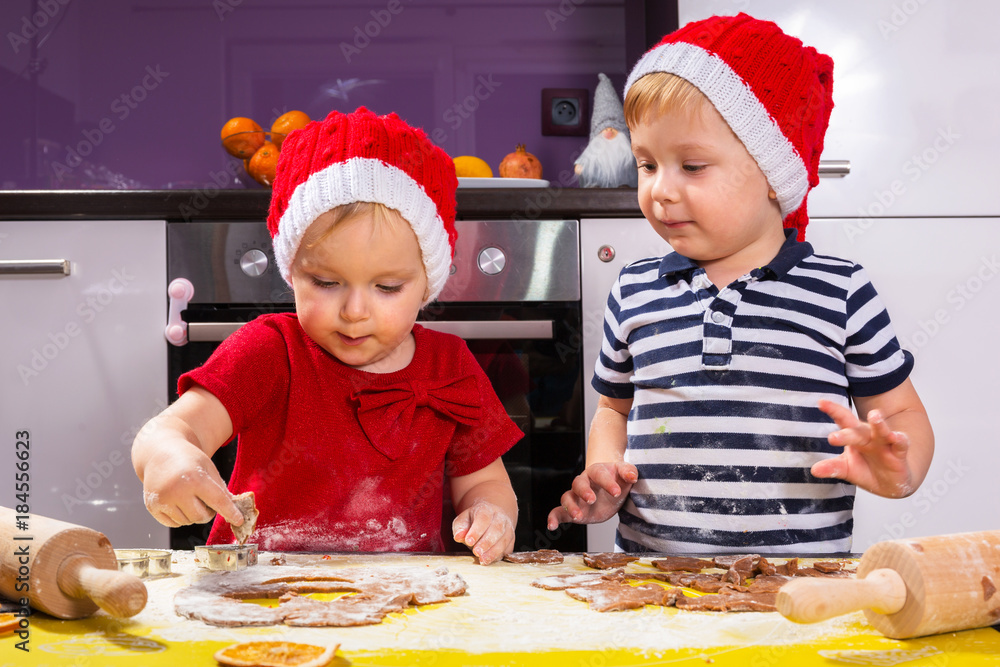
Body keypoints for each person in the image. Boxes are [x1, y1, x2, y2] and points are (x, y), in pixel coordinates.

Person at [547, 14, 934, 554]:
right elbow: (615, 408)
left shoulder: (840, 292)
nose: (661, 189)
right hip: (652, 585)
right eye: (647, 164)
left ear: (775, 176)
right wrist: (604, 473)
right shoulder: (634, 291)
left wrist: (899, 469)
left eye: (693, 165)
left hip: (800, 594)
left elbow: (900, 413)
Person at [133, 108, 522, 564]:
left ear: (426, 283)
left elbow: (485, 484)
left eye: (388, 287)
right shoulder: (269, 351)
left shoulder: (450, 365)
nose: (355, 311)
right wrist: (169, 459)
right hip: (256, 594)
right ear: (292, 273)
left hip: (401, 607)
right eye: (326, 282)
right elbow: (171, 430)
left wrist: (491, 515)